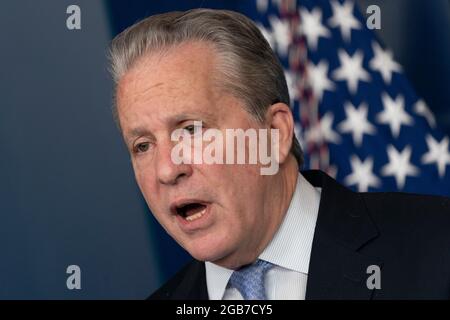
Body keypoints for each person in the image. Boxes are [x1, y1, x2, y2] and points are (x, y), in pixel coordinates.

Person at [108, 8, 450, 300]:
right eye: (142, 146)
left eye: (191, 130)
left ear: (275, 133)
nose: (166, 169)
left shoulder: (436, 246)